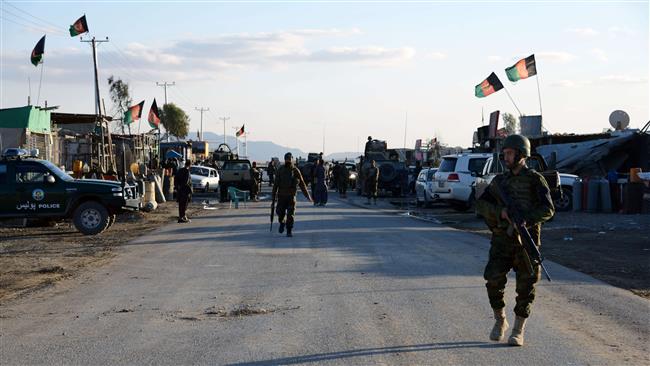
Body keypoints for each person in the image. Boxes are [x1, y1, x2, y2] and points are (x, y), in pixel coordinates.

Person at [476, 134, 555, 347]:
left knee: (526, 286)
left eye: (509, 153)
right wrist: (501, 213)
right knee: (493, 279)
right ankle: (500, 320)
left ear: (522, 155)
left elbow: (548, 209)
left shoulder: (535, 179)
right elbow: (481, 206)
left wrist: (525, 220)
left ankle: (519, 330)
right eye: (505, 154)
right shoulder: (499, 182)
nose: (506, 157)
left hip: (526, 242)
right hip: (502, 240)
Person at [272, 152, 312, 237]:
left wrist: (307, 195)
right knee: (280, 213)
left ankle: (289, 230)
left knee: (291, 215)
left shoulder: (295, 170)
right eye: (287, 159)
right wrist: (273, 197)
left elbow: (302, 184)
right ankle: (282, 223)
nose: (288, 161)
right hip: (281, 196)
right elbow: (275, 184)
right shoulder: (280, 170)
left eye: (289, 159)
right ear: (284, 160)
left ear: (292, 160)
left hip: (291, 197)